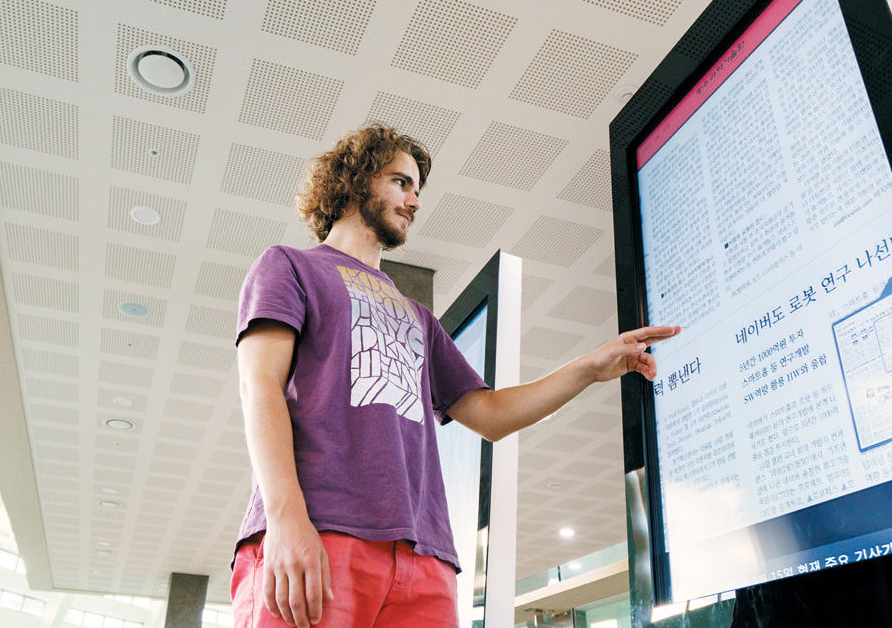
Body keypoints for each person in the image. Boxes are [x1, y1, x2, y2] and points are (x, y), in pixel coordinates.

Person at [230, 125, 679, 628]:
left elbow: (490, 414)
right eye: (401, 182)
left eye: (417, 189)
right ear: (354, 181)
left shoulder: (417, 317)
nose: (414, 201)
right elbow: (260, 387)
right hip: (323, 533)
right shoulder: (288, 267)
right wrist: (286, 519)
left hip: (425, 560)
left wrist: (590, 368)